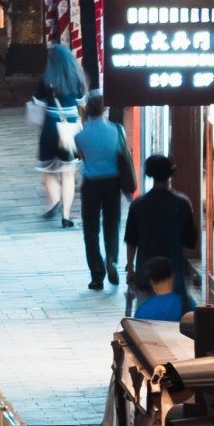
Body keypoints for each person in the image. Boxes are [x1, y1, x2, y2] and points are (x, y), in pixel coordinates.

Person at [70, 98, 133, 291]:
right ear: (105, 109)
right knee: (112, 224)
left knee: (90, 230)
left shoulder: (80, 136)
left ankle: (96, 276)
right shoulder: (117, 130)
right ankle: (112, 258)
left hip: (91, 185)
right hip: (112, 183)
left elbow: (82, 157)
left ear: (87, 111)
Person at [120, 154, 201, 302]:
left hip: (146, 273)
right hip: (175, 273)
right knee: (175, 319)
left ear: (148, 174)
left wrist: (131, 268)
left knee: (148, 319)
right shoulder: (182, 203)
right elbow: (190, 241)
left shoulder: (138, 205)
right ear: (170, 174)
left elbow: (132, 240)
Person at [34, 35, 89, 221]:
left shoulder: (46, 79)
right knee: (68, 172)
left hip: (50, 126)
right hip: (70, 128)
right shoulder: (77, 78)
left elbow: (37, 104)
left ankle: (55, 199)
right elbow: (82, 102)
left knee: (47, 170)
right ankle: (66, 215)